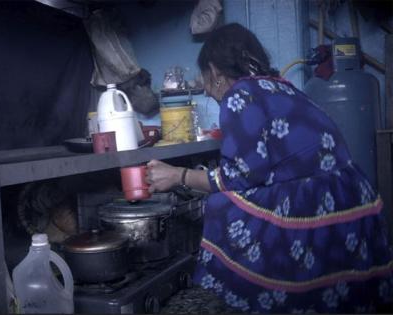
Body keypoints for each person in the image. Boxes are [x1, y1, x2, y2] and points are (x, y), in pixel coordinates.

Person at [146, 23, 393, 313]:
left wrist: (179, 176)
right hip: (354, 201)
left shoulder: (239, 94)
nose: (209, 93)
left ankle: (272, 291)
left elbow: (237, 178)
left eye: (205, 80)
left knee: (221, 205)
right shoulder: (282, 87)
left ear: (214, 71)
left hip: (318, 206)